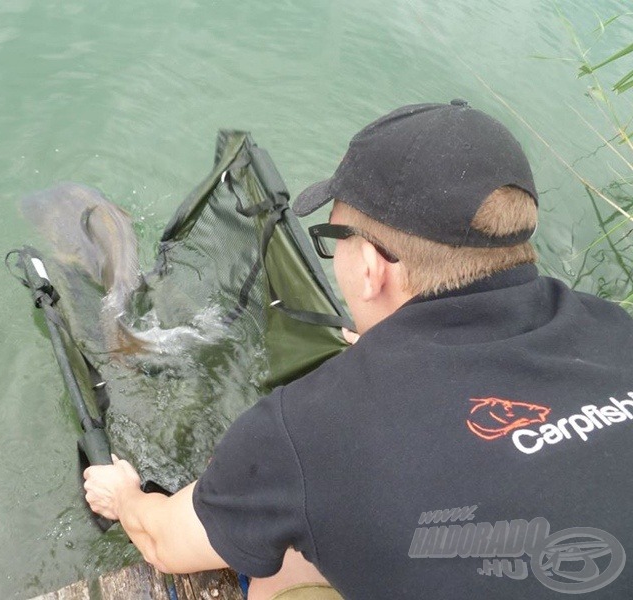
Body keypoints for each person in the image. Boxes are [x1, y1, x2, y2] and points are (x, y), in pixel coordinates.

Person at [84, 101, 633, 599]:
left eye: (334, 239)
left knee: (283, 567)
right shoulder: (615, 330)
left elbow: (162, 543)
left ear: (371, 268)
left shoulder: (310, 426)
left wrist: (125, 496)